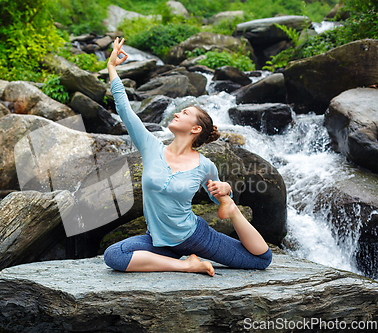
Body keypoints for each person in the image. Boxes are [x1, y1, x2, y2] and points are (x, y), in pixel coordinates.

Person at [103, 37, 272, 277]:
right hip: (159, 242)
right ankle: (187, 265)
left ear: (195, 129)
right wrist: (112, 68)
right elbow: (125, 110)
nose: (177, 113)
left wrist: (226, 193)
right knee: (114, 256)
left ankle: (233, 213)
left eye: (185, 113)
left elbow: (217, 198)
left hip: (195, 236)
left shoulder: (205, 165)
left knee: (261, 260)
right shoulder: (151, 147)